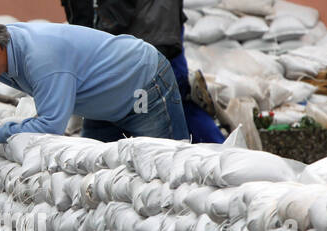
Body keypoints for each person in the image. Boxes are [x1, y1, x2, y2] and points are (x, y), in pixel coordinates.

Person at [0, 16, 189, 149]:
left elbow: (51, 125)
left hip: (143, 84)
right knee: (96, 175)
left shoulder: (43, 60)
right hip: (102, 107)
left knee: (166, 167)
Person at [61, 0, 225, 143]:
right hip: (159, 28)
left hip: (145, 34)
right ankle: (216, 150)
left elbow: (112, 13)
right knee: (176, 97)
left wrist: (97, 47)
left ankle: (216, 152)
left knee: (171, 98)